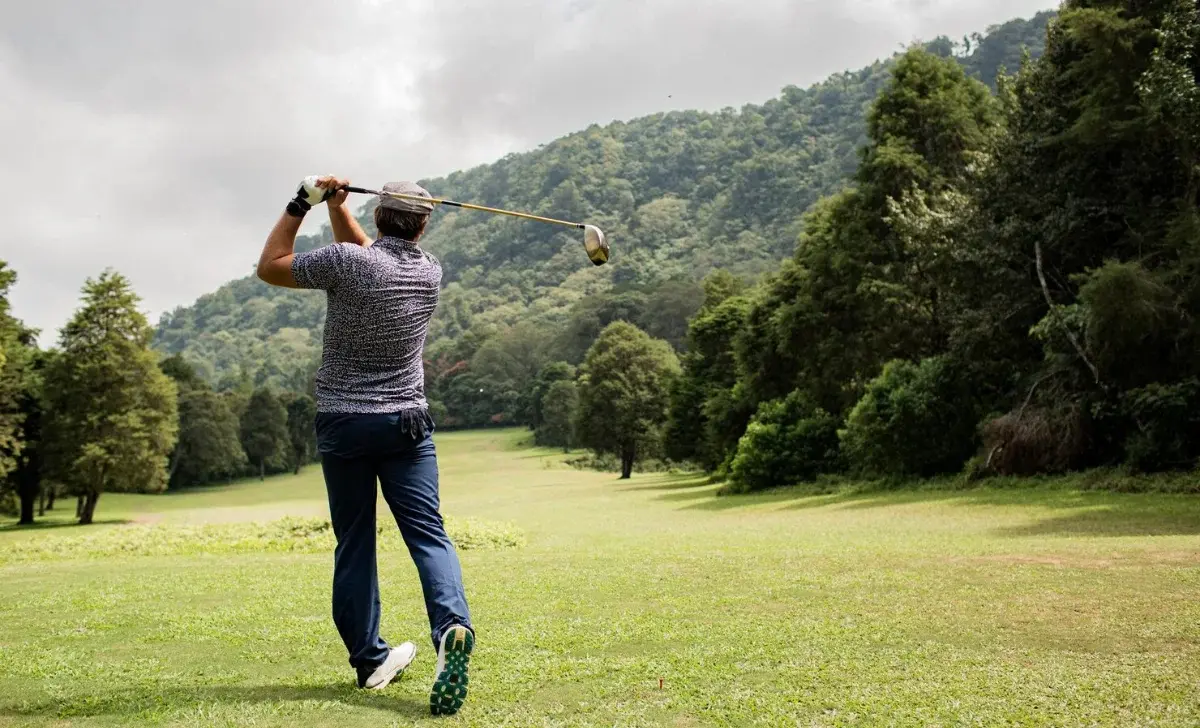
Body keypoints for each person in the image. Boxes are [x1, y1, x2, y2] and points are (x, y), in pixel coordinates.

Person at [256, 175, 474, 716]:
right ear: (423, 225)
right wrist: (338, 207)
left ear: (379, 215)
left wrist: (302, 203)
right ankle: (451, 625)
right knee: (429, 536)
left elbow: (271, 266)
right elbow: (372, 256)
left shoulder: (347, 264)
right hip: (406, 424)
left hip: (345, 423)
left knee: (354, 543)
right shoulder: (428, 271)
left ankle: (370, 659)